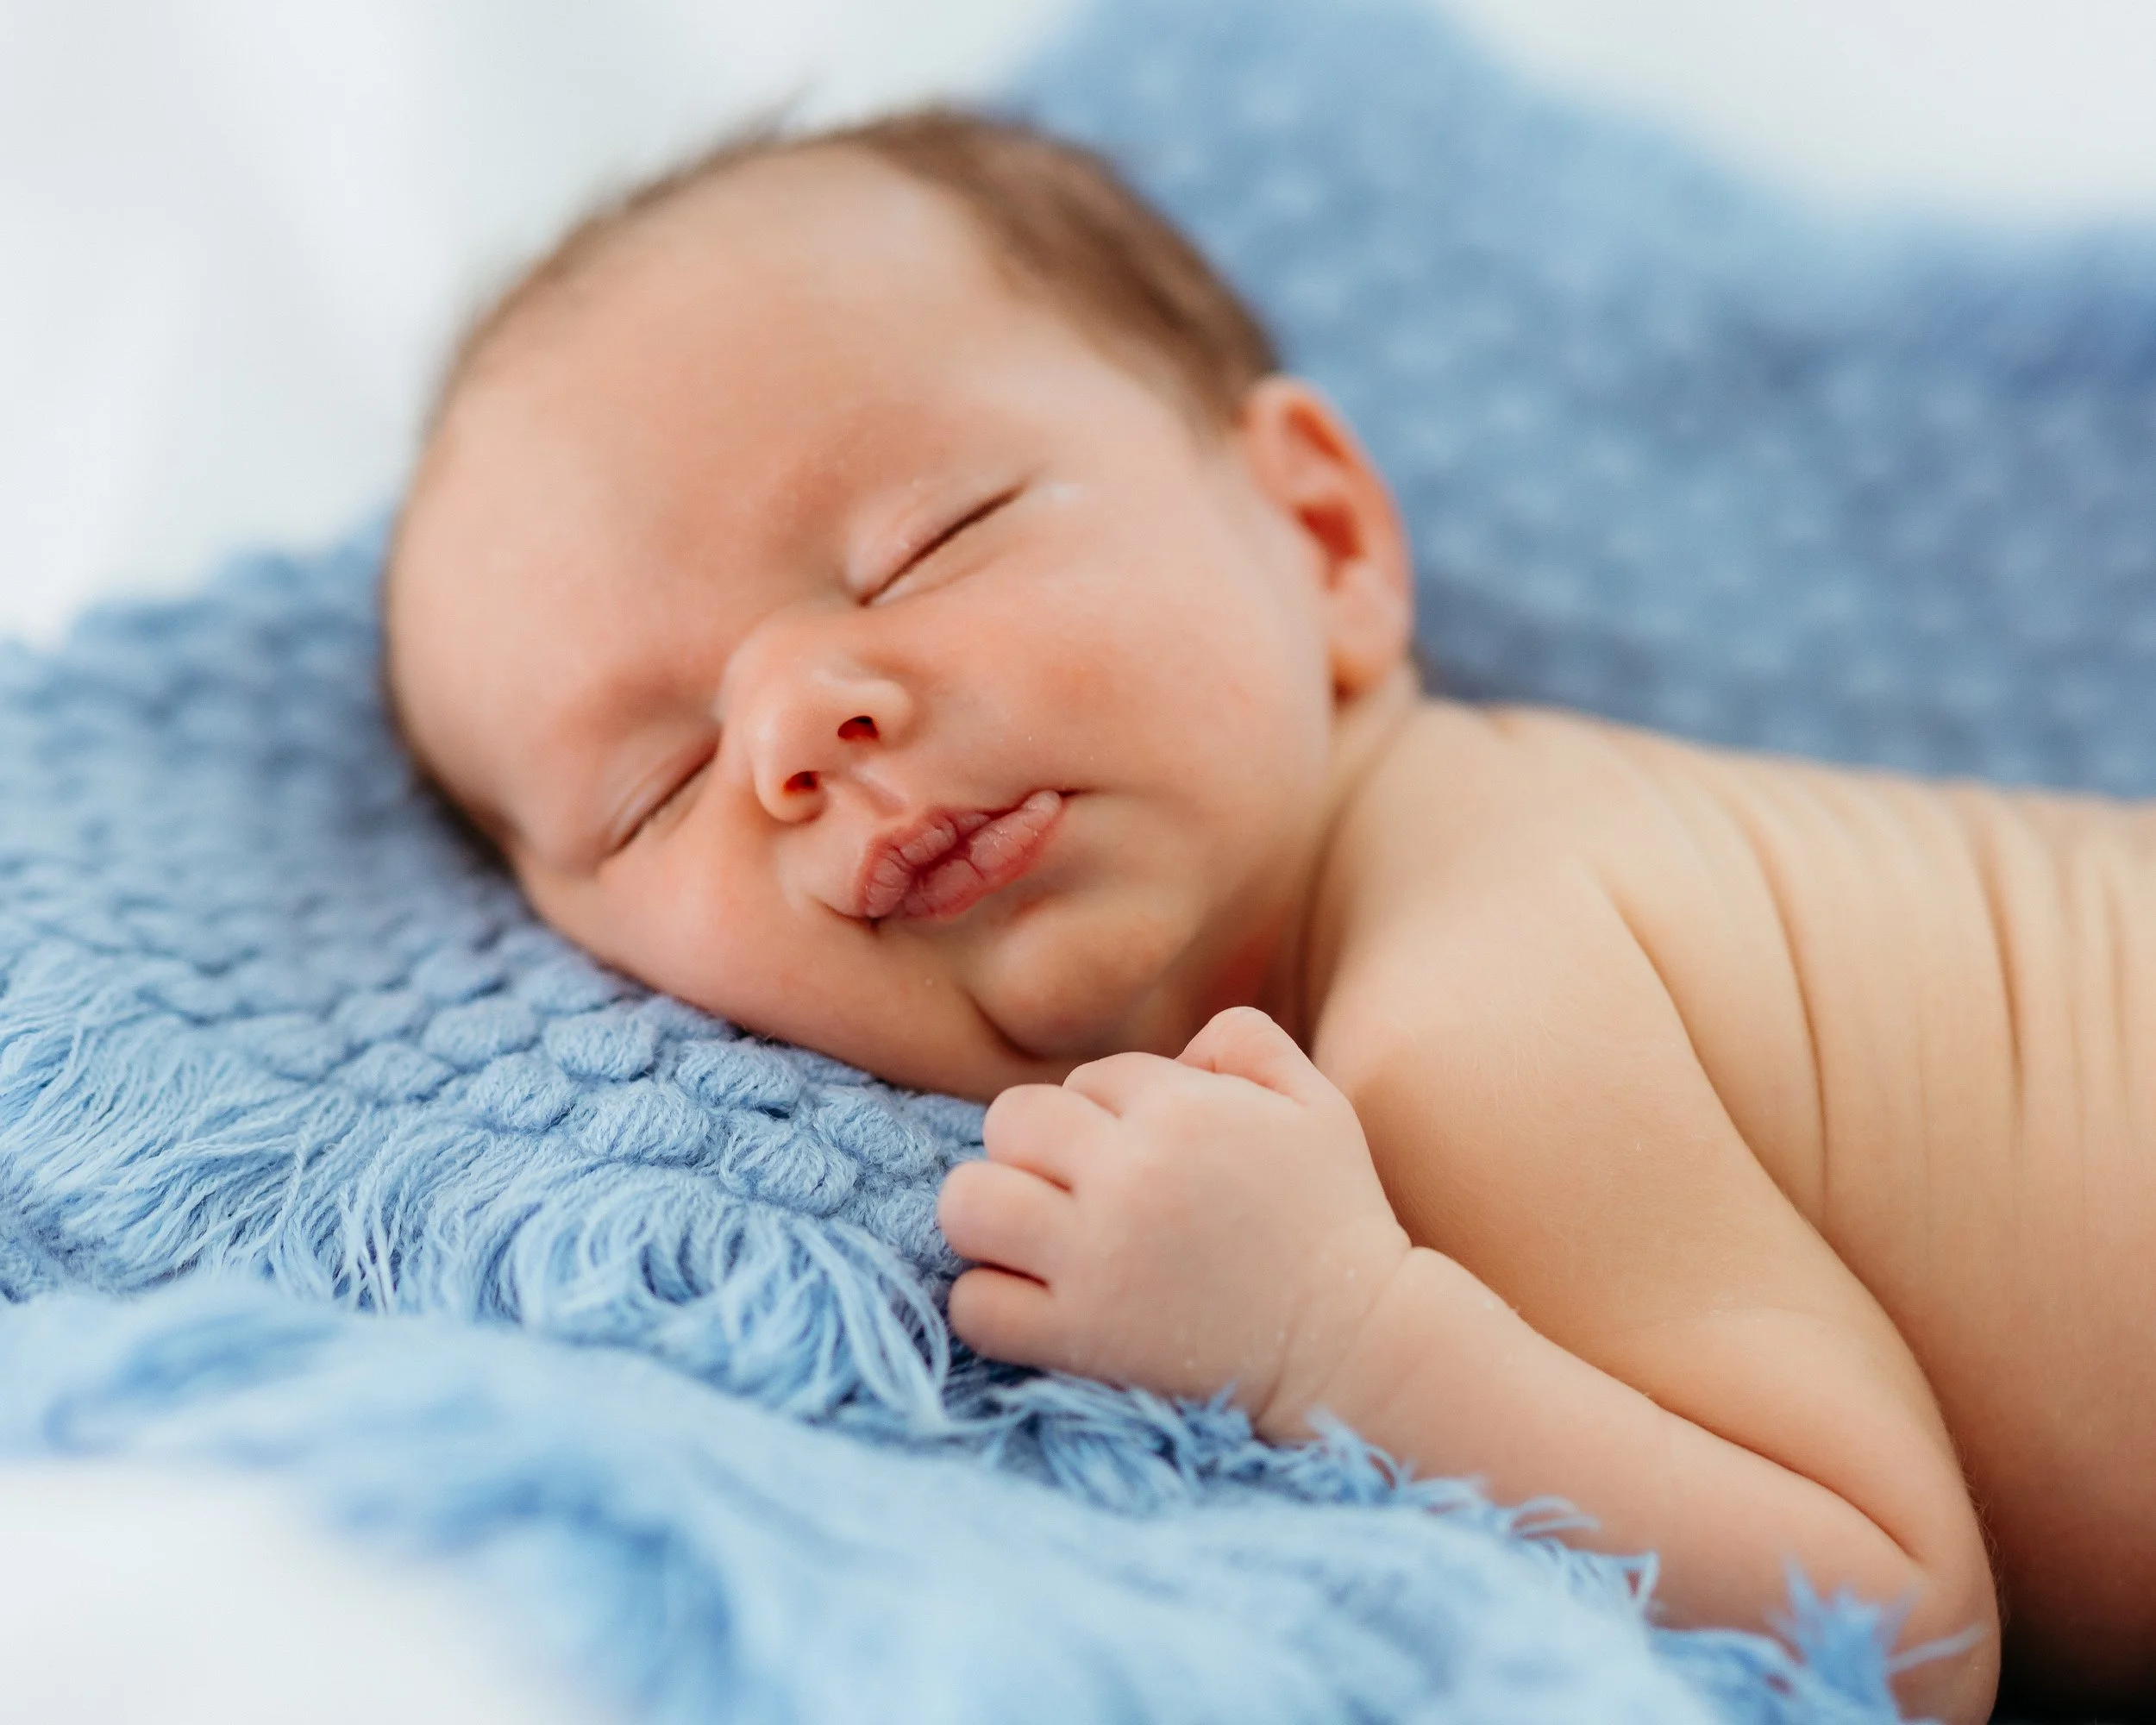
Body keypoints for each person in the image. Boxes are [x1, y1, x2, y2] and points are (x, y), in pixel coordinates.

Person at [381, 109, 2156, 1725]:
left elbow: (1892, 1635)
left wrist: (1333, 1337)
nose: (796, 723)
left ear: (1318, 535)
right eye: (661, 783)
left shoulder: (1478, 991)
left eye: (923, 542)